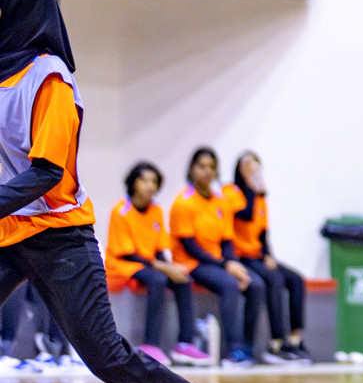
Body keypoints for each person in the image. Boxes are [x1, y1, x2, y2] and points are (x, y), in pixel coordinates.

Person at [0, 0, 263, 383]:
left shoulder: (48, 75)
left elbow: (48, 174)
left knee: (108, 356)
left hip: (57, 237)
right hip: (5, 231)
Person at [105, 161, 212, 367]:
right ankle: (150, 344)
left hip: (149, 265)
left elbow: (160, 248)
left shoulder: (156, 210)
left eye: (154, 181)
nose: (150, 185)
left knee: (183, 279)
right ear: (133, 183)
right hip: (122, 265)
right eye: (144, 180)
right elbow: (129, 255)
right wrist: (164, 268)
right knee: (158, 279)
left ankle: (184, 343)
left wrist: (172, 268)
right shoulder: (121, 210)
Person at [170, 147, 267, 367]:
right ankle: (232, 350)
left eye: (212, 167)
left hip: (217, 262)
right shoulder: (183, 202)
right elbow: (190, 246)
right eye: (201, 166)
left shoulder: (219, 201)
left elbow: (226, 240)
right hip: (191, 263)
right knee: (230, 285)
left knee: (257, 284)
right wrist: (226, 265)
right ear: (192, 169)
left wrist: (232, 262)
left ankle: (246, 347)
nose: (207, 171)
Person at [226, 151, 311, 364]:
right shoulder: (231, 192)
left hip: (257, 255)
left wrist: (269, 255)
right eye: (247, 165)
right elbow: (244, 214)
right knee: (273, 279)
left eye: (256, 165)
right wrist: (254, 190)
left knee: (295, 279)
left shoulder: (261, 198)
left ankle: (294, 339)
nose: (253, 169)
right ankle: (276, 343)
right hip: (240, 256)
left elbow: (263, 233)